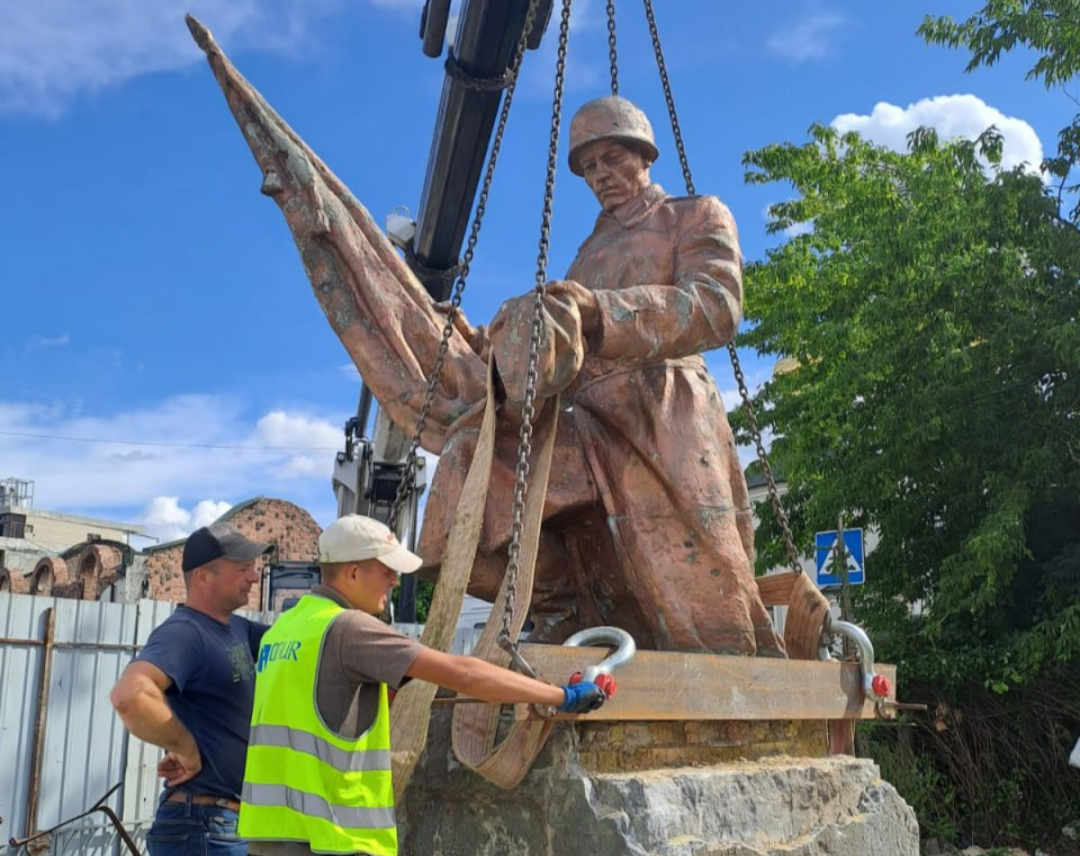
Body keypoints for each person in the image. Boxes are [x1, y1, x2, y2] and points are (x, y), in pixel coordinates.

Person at [187, 27, 782, 656]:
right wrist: (480, 345)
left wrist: (598, 310)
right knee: (471, 462)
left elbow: (717, 307)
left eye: (613, 158)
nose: (601, 174)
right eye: (589, 166)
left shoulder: (694, 215)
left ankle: (717, 660)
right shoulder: (587, 252)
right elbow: (559, 353)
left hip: (661, 418)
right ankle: (555, 601)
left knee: (691, 592)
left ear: (644, 154)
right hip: (586, 421)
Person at [237, 514, 606, 856]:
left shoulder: (284, 629)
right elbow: (465, 674)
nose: (395, 581)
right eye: (386, 570)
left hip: (272, 836)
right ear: (352, 573)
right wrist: (561, 695)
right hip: (334, 838)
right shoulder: (349, 628)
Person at [110, 523, 273, 856]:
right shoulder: (186, 633)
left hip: (221, 823)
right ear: (202, 577)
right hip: (202, 827)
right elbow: (131, 695)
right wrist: (185, 748)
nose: (254, 578)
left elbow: (296, 642)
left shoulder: (238, 629)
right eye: (243, 569)